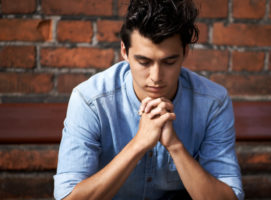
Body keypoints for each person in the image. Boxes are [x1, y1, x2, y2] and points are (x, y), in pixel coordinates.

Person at [54, 0, 244, 199]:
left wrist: (175, 146)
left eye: (169, 62)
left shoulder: (213, 102)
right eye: (144, 61)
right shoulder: (90, 100)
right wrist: (138, 144)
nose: (156, 76)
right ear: (124, 52)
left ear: (185, 52)